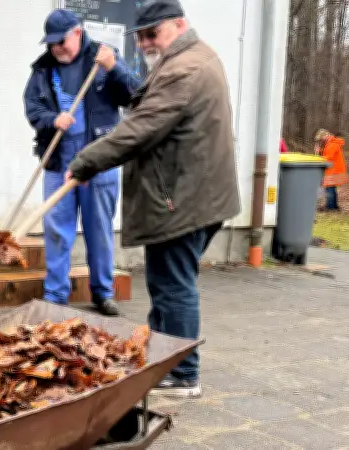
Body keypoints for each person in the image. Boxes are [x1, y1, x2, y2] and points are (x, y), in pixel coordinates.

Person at [66, 0, 240, 397]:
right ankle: (161, 359)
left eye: (152, 33)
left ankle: (181, 374)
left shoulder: (185, 69)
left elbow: (141, 128)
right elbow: (144, 105)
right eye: (140, 35)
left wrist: (86, 162)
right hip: (195, 191)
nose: (145, 42)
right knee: (168, 282)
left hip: (183, 197)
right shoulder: (190, 56)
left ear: (179, 25)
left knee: (174, 285)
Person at [23, 9, 142, 316]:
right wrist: (52, 119)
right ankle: (55, 295)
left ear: (77, 32)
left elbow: (135, 96)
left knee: (98, 229)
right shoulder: (43, 69)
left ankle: (103, 293)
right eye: (51, 44)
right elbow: (33, 107)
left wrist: (114, 67)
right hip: (58, 162)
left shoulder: (103, 57)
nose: (56, 49)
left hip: (99, 160)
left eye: (60, 41)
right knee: (56, 230)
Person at [314, 128, 347, 211]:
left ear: (326, 135)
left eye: (321, 138)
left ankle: (330, 207)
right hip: (334, 169)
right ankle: (334, 206)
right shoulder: (330, 143)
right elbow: (327, 153)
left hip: (334, 169)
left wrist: (318, 154)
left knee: (329, 188)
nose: (321, 140)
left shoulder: (332, 144)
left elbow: (328, 157)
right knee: (332, 188)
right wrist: (320, 151)